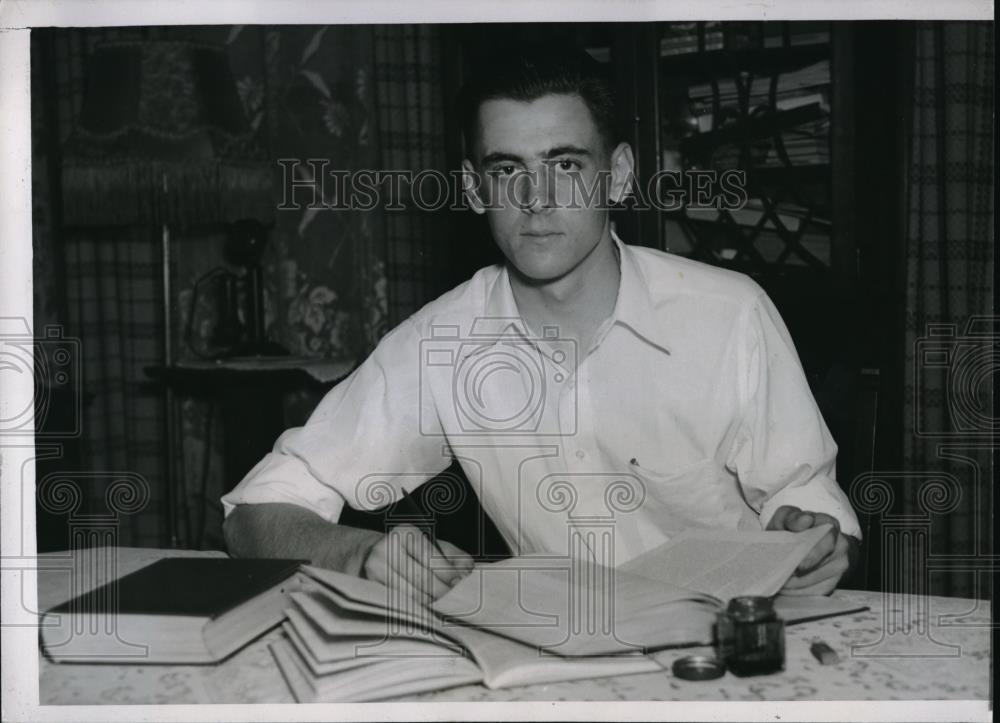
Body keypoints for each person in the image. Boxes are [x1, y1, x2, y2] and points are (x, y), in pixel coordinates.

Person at [223, 45, 860, 604]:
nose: (536, 200)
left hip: (730, 645)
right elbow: (254, 514)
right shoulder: (444, 341)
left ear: (618, 174)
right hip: (559, 660)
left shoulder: (729, 314)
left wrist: (815, 542)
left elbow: (807, 504)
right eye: (507, 171)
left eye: (565, 165)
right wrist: (357, 554)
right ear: (474, 190)